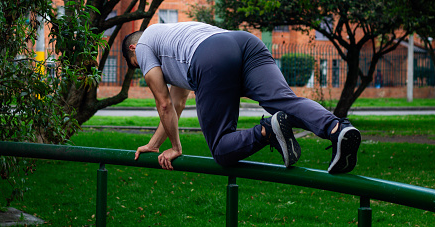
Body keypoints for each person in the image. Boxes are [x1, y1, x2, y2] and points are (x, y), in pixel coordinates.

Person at [122, 21, 361, 173]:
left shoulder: (143, 46)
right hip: (244, 42)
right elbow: (176, 103)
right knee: (285, 100)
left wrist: (176, 148)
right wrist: (154, 145)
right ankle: (338, 129)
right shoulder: (171, 39)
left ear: (133, 50)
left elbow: (163, 103)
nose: (145, 71)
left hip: (210, 56)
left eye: (138, 66)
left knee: (222, 149)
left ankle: (268, 130)